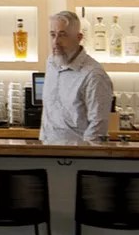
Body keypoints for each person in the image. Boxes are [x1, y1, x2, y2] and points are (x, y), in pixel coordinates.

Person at [40, 10, 114, 145]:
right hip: (48, 151)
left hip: (76, 157)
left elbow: (98, 127)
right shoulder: (52, 62)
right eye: (52, 35)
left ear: (79, 38)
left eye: (63, 35)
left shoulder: (93, 75)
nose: (56, 42)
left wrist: (81, 157)